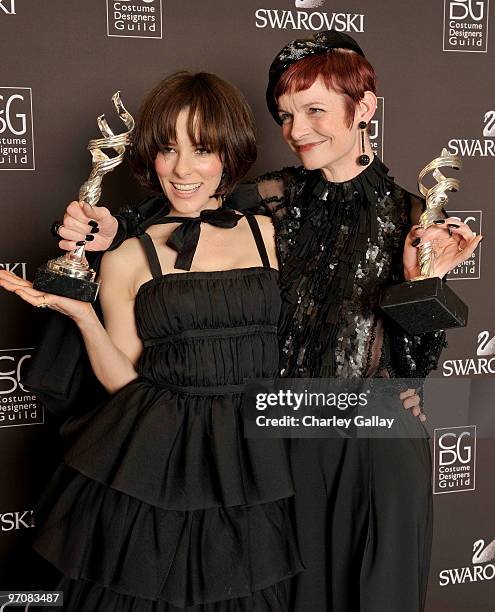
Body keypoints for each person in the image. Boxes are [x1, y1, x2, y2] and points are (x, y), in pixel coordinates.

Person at [26, 32, 481, 612]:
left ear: (363, 109)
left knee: (378, 592)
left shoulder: (412, 215)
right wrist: (113, 231)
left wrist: (423, 287)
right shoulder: (267, 200)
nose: (296, 130)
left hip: (375, 438)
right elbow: (184, 212)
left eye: (315, 111)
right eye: (286, 115)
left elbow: (416, 361)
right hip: (281, 435)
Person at [0, 71, 304, 610]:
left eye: (203, 149)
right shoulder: (126, 255)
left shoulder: (270, 232)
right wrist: (82, 316)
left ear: (230, 154)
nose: (183, 169)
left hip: (256, 456)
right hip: (161, 457)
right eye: (168, 149)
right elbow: (126, 378)